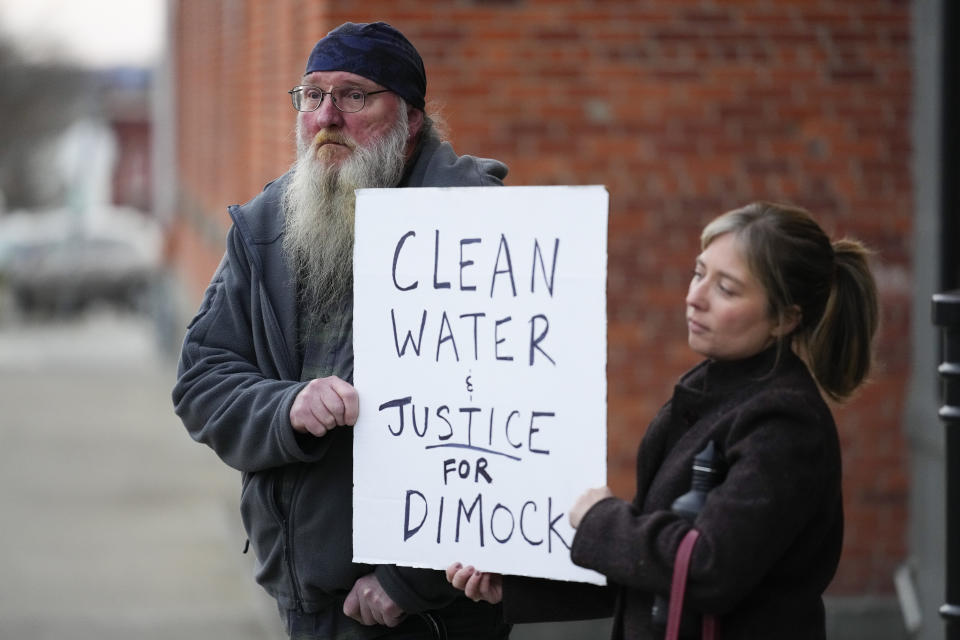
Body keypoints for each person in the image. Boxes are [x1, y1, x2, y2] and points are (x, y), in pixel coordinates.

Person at [172, 21, 510, 640]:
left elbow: (506, 430)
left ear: (409, 119)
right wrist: (287, 406)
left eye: (355, 96)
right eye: (312, 95)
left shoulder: (477, 224)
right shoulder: (266, 223)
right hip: (305, 595)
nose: (327, 116)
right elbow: (201, 381)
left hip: (433, 612)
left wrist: (411, 582)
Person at [447, 201, 879, 639]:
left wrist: (602, 518)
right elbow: (650, 568)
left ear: (785, 319)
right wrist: (519, 584)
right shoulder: (713, 394)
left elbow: (707, 567)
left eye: (727, 289)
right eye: (698, 273)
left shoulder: (785, 423)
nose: (695, 297)